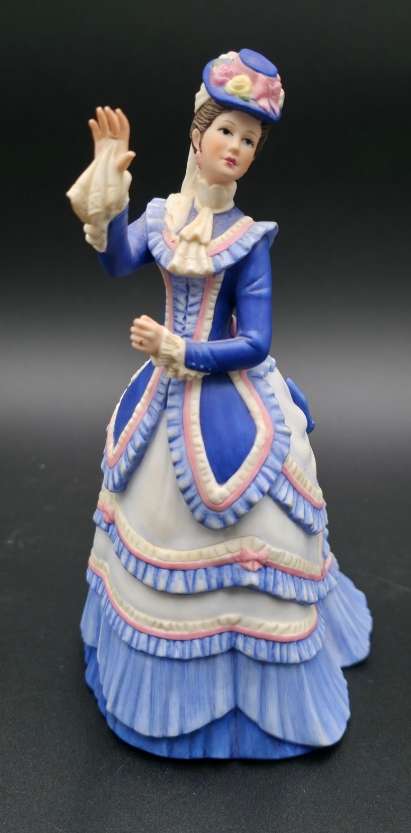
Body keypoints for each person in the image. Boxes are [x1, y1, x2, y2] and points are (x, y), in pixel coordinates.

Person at [67, 49, 371, 759]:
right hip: (162, 393)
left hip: (225, 390)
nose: (235, 147)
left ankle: (264, 666)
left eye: (249, 140)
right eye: (225, 131)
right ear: (197, 135)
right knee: (150, 500)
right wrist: (108, 191)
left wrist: (181, 349)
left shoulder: (249, 240)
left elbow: (256, 341)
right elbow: (118, 260)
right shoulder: (163, 216)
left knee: (259, 498)